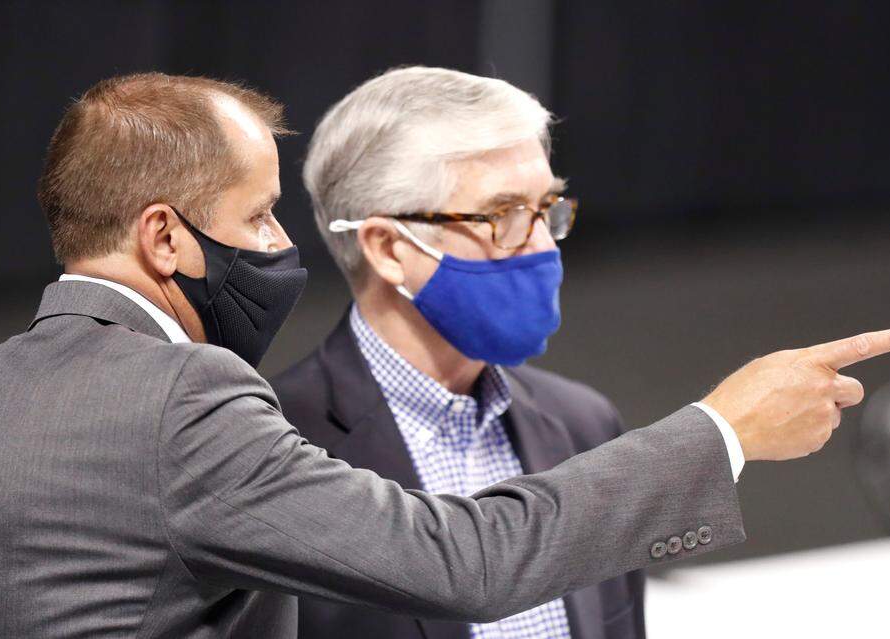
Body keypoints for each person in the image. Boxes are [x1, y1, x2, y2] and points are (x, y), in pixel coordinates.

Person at [0, 72, 890, 639]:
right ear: (167, 236)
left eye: (548, 210)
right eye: (263, 218)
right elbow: (465, 564)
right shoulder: (199, 400)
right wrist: (723, 430)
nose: (281, 249)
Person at [274, 66, 647, 639]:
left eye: (547, 208)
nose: (544, 244)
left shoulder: (584, 426)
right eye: (504, 215)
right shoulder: (272, 452)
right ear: (390, 248)